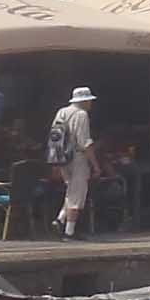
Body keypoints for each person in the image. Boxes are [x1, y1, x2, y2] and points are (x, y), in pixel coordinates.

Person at [48, 89, 100, 238]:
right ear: (84, 101)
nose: (90, 103)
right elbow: (84, 142)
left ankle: (60, 220)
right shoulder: (82, 115)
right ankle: (69, 231)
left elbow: (55, 136)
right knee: (77, 194)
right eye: (89, 100)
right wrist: (95, 165)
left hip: (62, 157)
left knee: (71, 191)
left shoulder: (61, 112)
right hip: (78, 157)